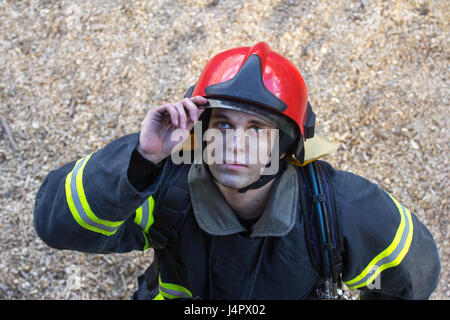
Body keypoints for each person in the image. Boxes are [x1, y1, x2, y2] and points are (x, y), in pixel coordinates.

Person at [34, 42, 440, 300]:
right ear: (202, 130)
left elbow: (417, 276)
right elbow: (59, 227)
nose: (235, 143)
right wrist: (140, 158)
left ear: (286, 147)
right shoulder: (163, 188)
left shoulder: (344, 210)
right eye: (223, 123)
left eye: (258, 129)